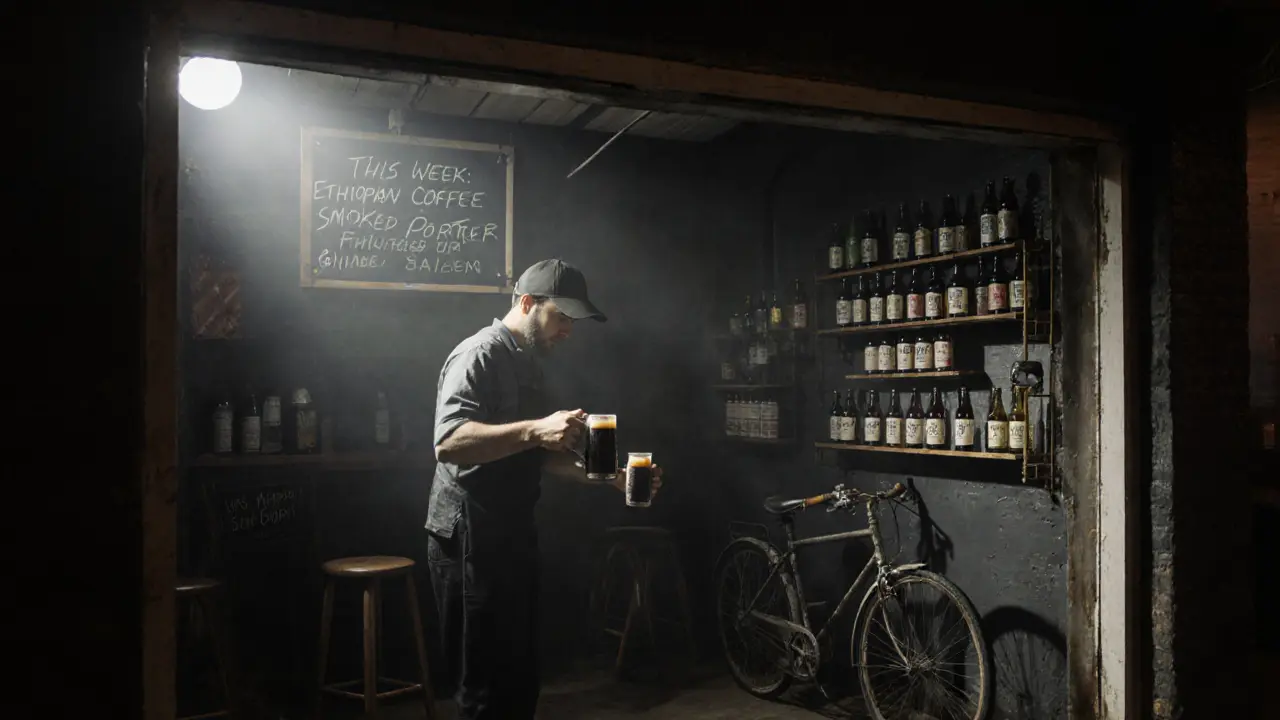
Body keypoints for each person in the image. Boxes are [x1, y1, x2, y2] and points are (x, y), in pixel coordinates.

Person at [425, 259, 663, 719]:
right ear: (528, 303)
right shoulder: (480, 354)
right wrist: (537, 429)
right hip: (469, 536)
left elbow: (537, 453)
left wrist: (609, 477)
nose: (568, 332)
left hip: (510, 532)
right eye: (562, 318)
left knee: (520, 678)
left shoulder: (528, 362)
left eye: (573, 322)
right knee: (483, 686)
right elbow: (448, 443)